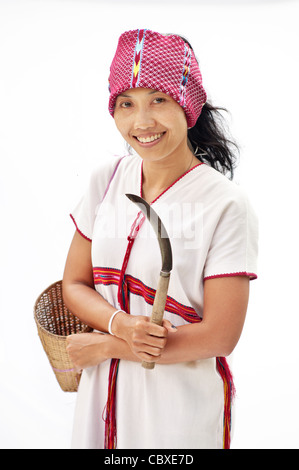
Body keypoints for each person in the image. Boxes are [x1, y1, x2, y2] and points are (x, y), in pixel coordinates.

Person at [63, 29, 258, 450]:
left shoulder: (225, 204)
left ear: (188, 105)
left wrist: (108, 346)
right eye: (125, 104)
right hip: (101, 400)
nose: (141, 122)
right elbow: (74, 284)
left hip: (177, 411)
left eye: (158, 100)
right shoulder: (107, 180)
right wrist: (120, 323)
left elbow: (220, 336)